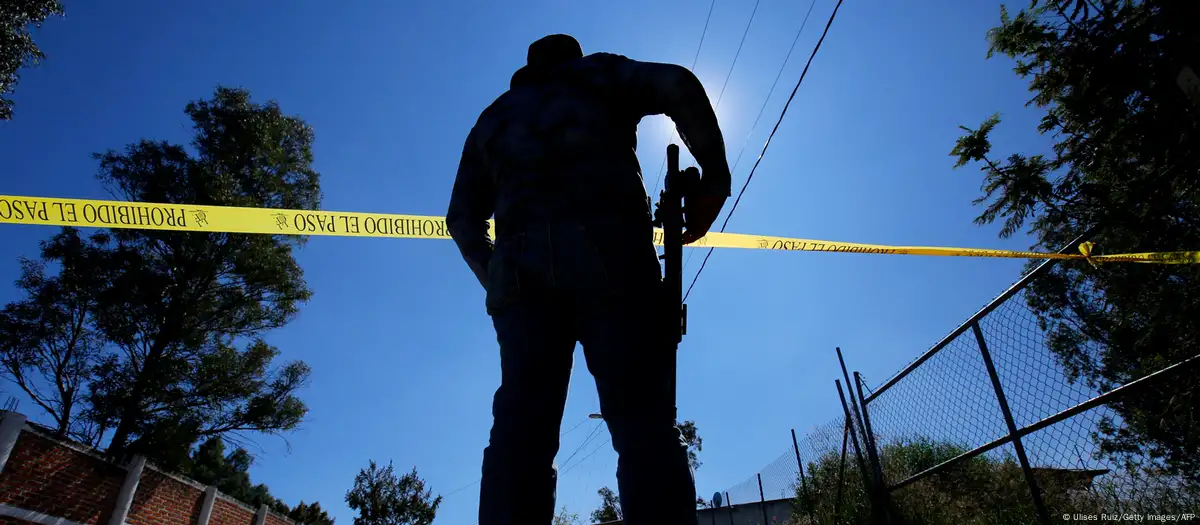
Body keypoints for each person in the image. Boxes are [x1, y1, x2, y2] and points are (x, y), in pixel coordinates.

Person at [447, 34, 731, 525]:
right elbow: (678, 83)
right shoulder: (598, 74)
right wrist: (716, 178)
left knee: (521, 436)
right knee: (643, 423)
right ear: (570, 60)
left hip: (521, 279)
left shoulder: (493, 119)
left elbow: (461, 221)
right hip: (612, 259)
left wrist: (496, 276)